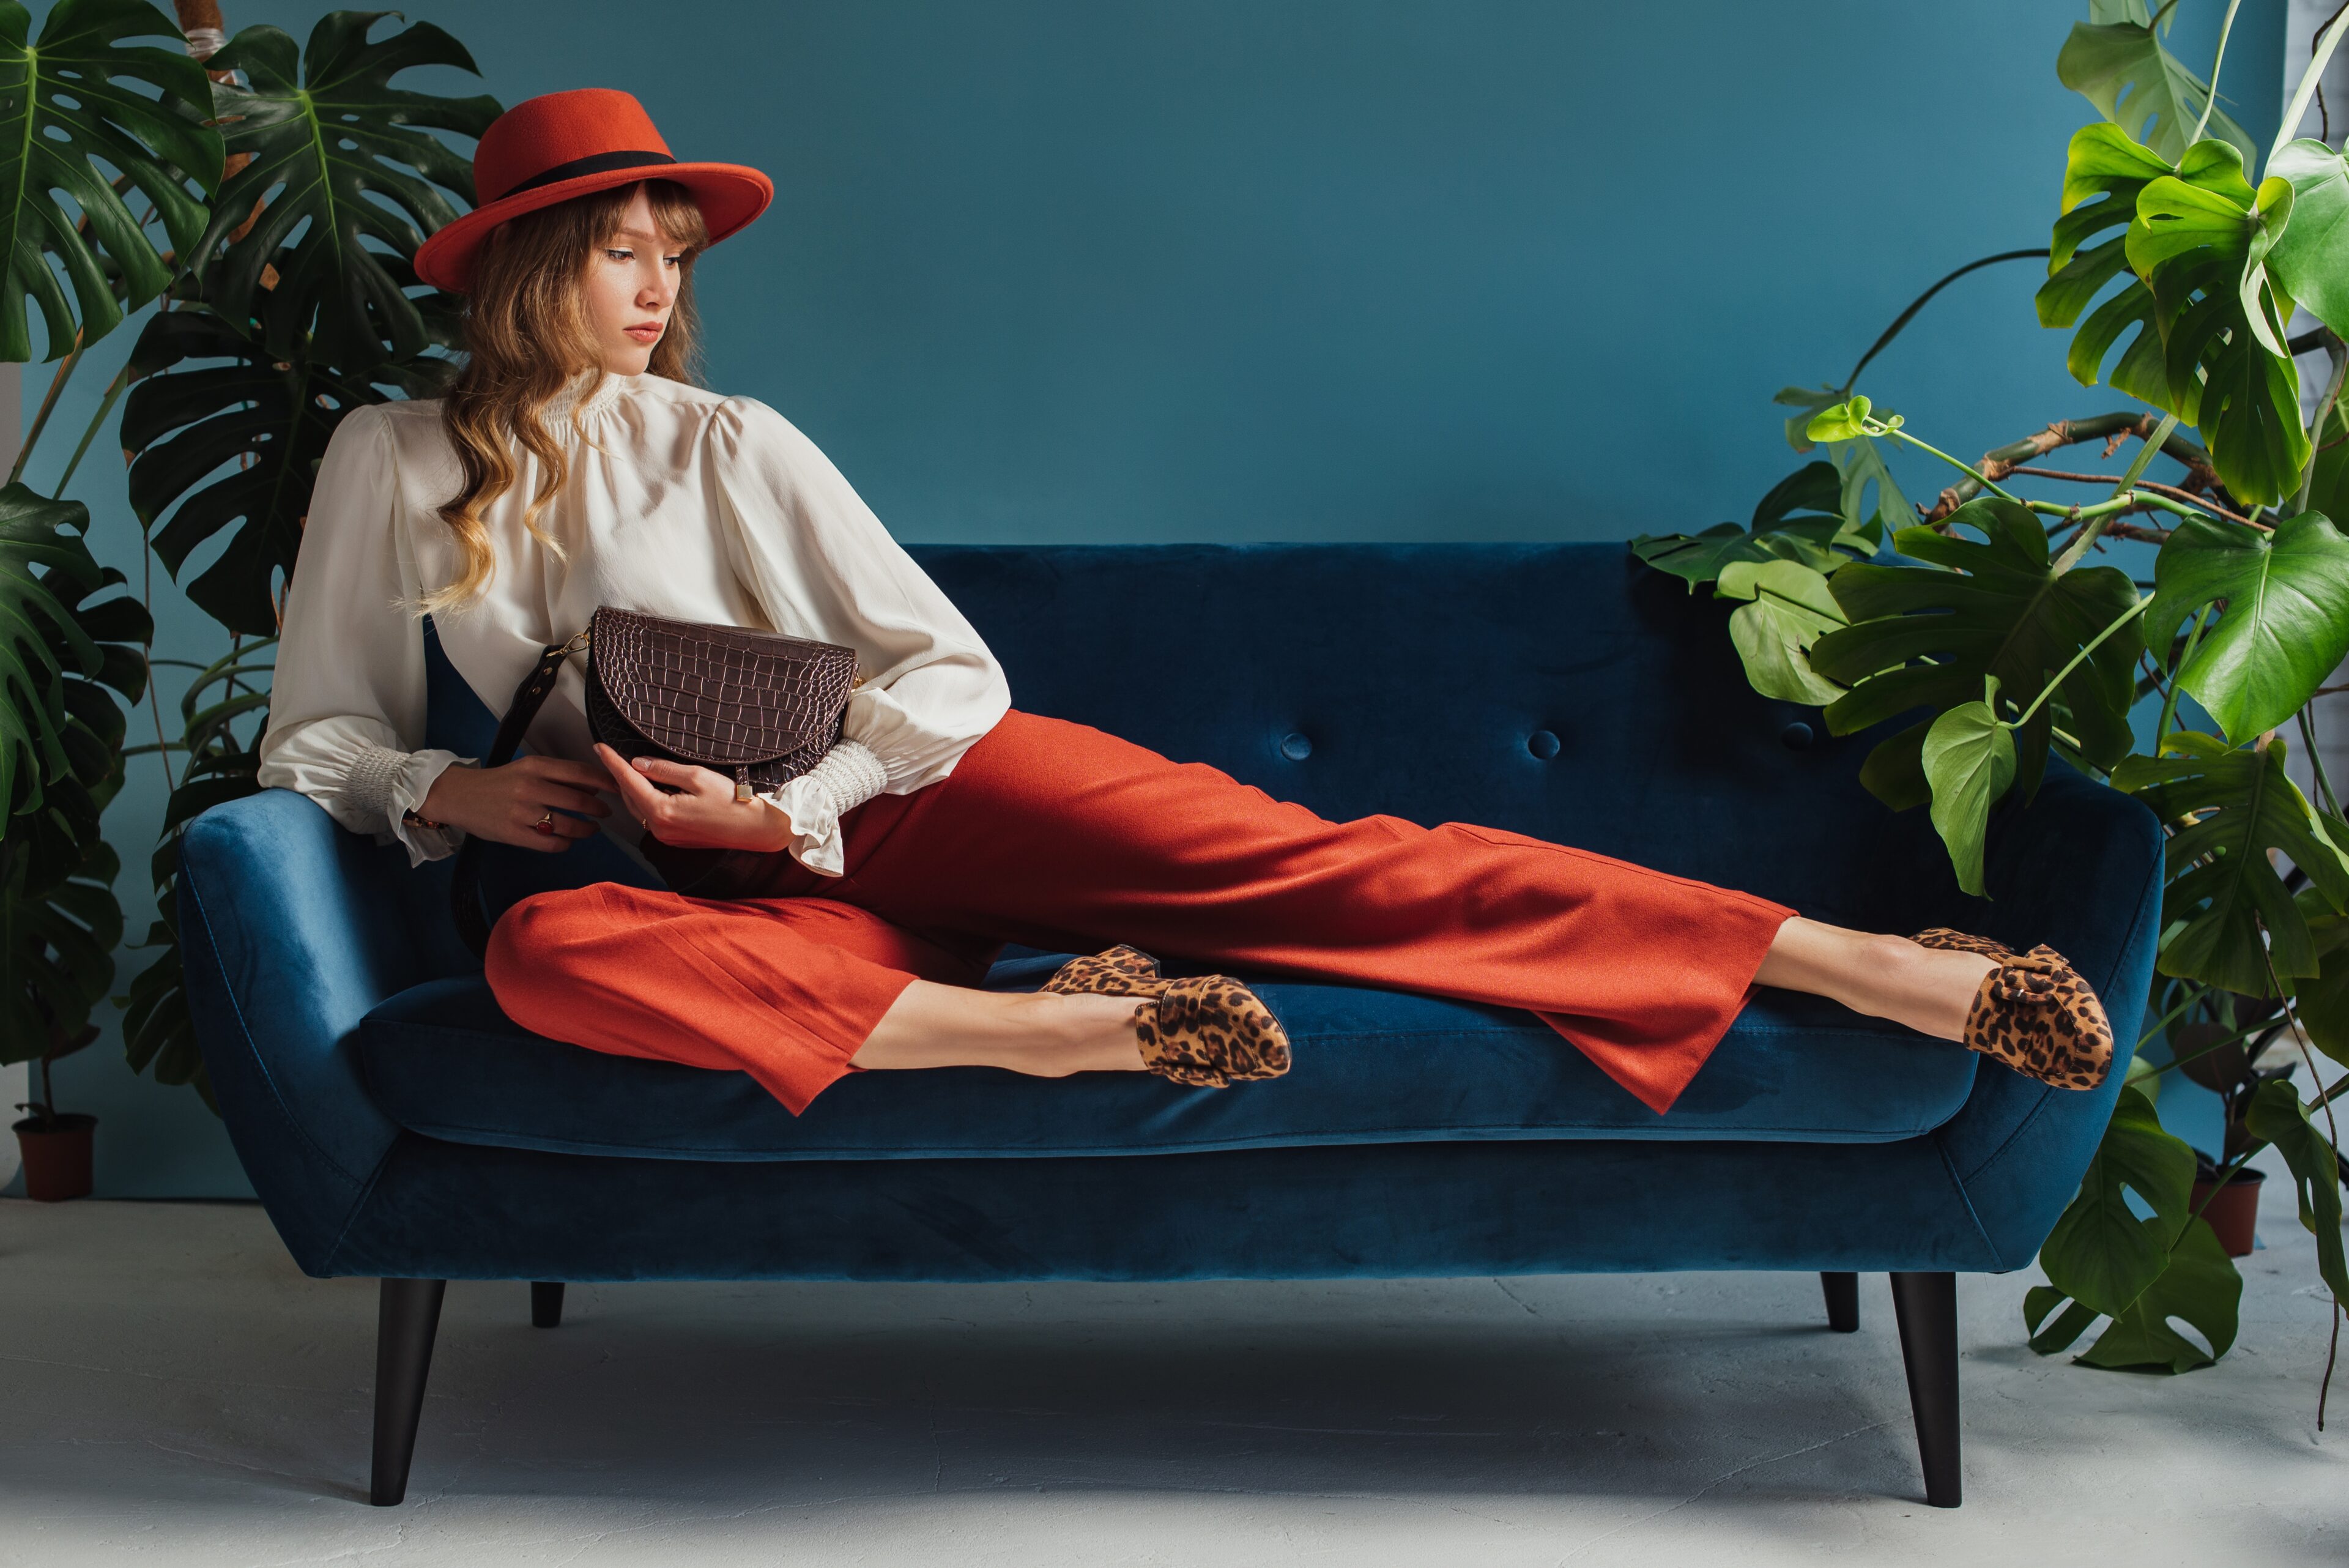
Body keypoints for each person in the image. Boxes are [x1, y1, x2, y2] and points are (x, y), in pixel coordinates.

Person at [257, 89, 2113, 1119]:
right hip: (686, 891)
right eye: (619, 255)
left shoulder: (726, 440)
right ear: (519, 268)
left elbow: (947, 668)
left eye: (672, 256)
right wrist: (454, 796)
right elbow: (314, 729)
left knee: (1358, 870)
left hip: (902, 793)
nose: (658, 288)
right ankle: (1074, 1027)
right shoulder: (390, 459)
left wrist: (801, 801)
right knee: (541, 960)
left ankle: (1872, 962)